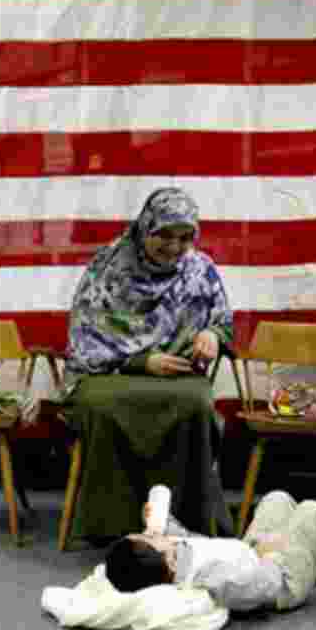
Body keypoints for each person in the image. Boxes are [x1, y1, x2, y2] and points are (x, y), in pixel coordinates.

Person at [64, 187, 235, 543]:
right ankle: (111, 527)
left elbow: (222, 321)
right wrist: (142, 360)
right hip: (109, 373)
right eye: (164, 236)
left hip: (178, 372)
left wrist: (213, 335)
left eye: (185, 238)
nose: (174, 247)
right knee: (103, 408)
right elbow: (88, 333)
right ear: (145, 228)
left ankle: (188, 523)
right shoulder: (108, 267)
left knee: (196, 405)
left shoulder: (200, 270)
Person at [104, 491, 316, 612]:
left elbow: (162, 496)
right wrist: (270, 553)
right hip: (278, 578)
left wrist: (161, 524)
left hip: (248, 552)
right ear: (166, 557)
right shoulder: (214, 580)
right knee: (313, 512)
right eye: (150, 537)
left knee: (276, 499)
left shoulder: (174, 557)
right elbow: (262, 587)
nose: (150, 532)